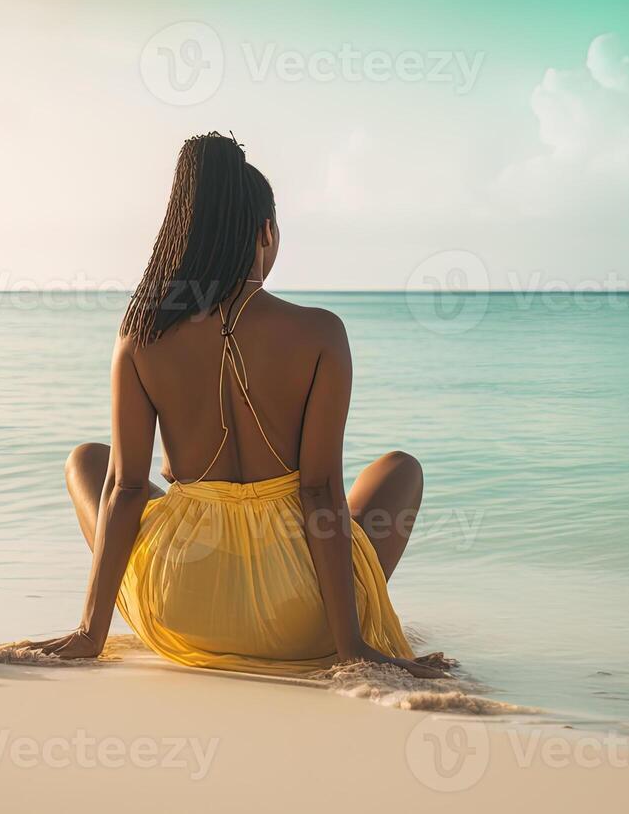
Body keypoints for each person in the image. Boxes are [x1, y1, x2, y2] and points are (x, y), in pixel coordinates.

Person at [23, 132, 447, 678]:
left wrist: (90, 633)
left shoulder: (140, 336)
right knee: (399, 470)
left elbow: (126, 489)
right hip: (302, 614)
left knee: (88, 461)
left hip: (180, 603)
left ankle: (100, 626)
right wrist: (353, 649)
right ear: (265, 232)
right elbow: (319, 493)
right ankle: (342, 638)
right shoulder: (320, 333)